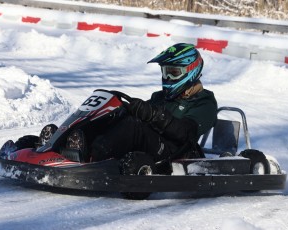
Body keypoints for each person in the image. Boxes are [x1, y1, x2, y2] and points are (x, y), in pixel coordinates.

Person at [89, 43, 218, 163]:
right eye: (165, 72)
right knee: (110, 117)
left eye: (173, 73)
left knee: (133, 126)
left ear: (191, 70)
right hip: (152, 146)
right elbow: (141, 114)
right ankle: (78, 151)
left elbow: (185, 132)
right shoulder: (161, 97)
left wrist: (154, 115)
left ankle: (93, 161)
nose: (168, 77)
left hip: (176, 154)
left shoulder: (205, 102)